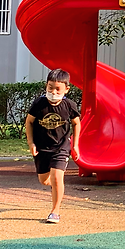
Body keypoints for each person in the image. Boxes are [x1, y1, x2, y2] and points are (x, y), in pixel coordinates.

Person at [24, 68, 81, 223]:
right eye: (50, 88)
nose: (53, 92)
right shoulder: (39, 104)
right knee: (44, 181)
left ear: (66, 89)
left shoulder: (69, 105)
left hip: (61, 147)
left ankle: (55, 211)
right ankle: (55, 185)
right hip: (42, 147)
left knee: (57, 177)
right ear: (46, 86)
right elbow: (29, 122)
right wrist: (31, 143)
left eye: (58, 89)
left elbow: (76, 123)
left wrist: (75, 145)